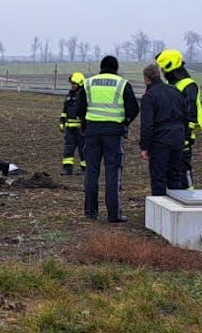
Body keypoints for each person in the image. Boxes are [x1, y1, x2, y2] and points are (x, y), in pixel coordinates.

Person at [80, 55, 139, 222]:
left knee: (91, 172)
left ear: (101, 67)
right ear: (116, 68)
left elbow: (79, 108)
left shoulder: (88, 83)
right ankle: (114, 214)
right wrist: (125, 122)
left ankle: (91, 212)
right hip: (114, 133)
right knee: (112, 173)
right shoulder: (122, 83)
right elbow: (134, 108)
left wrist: (86, 124)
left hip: (92, 132)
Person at [156, 49, 202, 189]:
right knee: (173, 172)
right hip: (173, 135)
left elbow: (191, 113)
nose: (163, 73)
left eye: (163, 69)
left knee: (183, 170)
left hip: (184, 136)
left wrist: (187, 138)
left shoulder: (188, 85)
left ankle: (189, 198)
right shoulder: (174, 85)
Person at [138, 63, 189, 196]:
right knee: (175, 176)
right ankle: (176, 209)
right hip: (178, 138)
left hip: (160, 140)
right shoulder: (175, 91)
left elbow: (147, 125)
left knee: (158, 177)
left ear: (147, 79)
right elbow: (186, 115)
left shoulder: (149, 96)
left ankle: (160, 210)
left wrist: (144, 147)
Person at [59, 71, 87, 175]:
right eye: (71, 84)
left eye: (74, 84)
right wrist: (62, 122)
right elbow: (65, 110)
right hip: (70, 129)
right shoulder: (69, 95)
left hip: (81, 129)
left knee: (83, 150)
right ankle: (67, 169)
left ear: (80, 83)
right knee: (68, 149)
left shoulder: (84, 95)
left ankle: (85, 169)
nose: (72, 86)